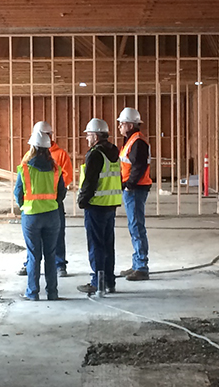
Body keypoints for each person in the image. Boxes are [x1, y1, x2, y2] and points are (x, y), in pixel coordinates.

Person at [15, 130, 67, 301]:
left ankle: (32, 292)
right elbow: (61, 193)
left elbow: (18, 193)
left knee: (33, 255)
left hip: (31, 216)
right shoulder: (56, 169)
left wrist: (25, 206)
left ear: (33, 148)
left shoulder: (25, 169)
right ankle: (52, 293)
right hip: (52, 215)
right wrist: (52, 204)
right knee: (50, 255)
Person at [76, 118, 121, 295]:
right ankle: (109, 282)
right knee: (108, 244)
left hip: (96, 205)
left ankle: (97, 283)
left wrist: (82, 200)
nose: (87, 138)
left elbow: (90, 181)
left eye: (88, 135)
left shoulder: (95, 154)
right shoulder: (114, 152)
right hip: (111, 205)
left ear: (95, 135)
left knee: (96, 245)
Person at [116, 107, 152, 281]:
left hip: (136, 189)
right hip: (132, 189)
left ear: (130, 125)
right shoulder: (131, 140)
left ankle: (141, 266)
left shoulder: (137, 142)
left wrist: (129, 185)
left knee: (137, 226)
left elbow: (139, 166)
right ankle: (137, 263)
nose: (119, 127)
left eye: (121, 124)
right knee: (134, 226)